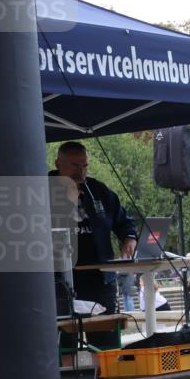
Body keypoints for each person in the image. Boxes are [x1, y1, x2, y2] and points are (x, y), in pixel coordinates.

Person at [49, 141, 138, 349]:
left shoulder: (97, 190)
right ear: (58, 164)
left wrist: (129, 238)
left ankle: (107, 376)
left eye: (84, 165)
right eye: (74, 165)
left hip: (100, 279)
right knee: (65, 341)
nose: (81, 171)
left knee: (105, 339)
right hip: (60, 280)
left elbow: (124, 220)